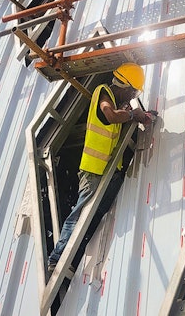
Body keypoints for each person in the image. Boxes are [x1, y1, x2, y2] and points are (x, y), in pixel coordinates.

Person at [46, 63, 156, 277]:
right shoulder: (103, 92)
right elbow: (110, 115)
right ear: (124, 85)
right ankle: (56, 259)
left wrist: (141, 115)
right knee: (80, 215)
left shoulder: (118, 103)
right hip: (92, 170)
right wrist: (133, 115)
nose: (132, 96)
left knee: (96, 214)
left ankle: (71, 257)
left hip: (106, 171)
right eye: (133, 91)